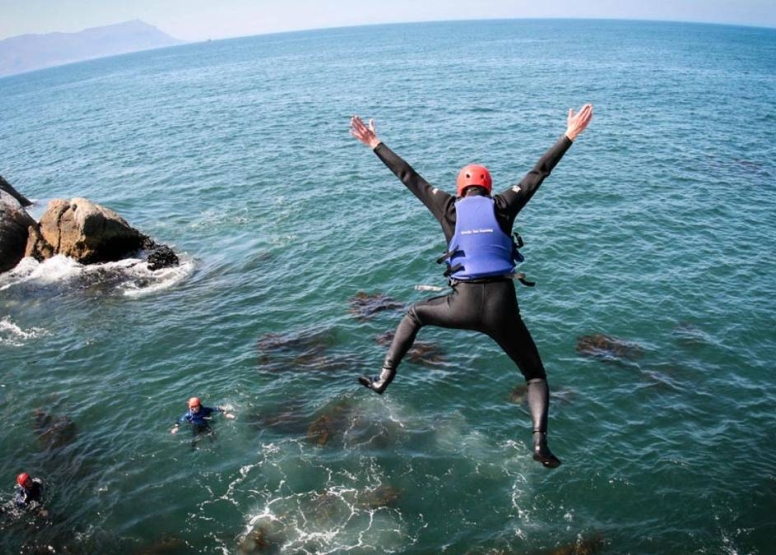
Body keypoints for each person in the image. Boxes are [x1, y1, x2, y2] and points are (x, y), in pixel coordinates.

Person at [349, 104, 593, 468]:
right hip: (501, 309)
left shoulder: (447, 207)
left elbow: (408, 176)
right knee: (535, 375)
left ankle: (384, 379)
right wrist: (570, 134)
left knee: (415, 314)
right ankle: (540, 444)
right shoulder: (504, 205)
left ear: (461, 191)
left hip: (460, 306)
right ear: (488, 188)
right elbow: (539, 172)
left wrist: (374, 142)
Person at [170, 397, 235, 439]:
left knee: (213, 436)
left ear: (199, 405)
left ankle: (217, 448)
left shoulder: (205, 410)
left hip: (205, 424)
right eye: (193, 407)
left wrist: (226, 414)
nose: (195, 408)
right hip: (195, 426)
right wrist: (176, 427)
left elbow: (217, 409)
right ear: (190, 407)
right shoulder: (188, 415)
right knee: (195, 440)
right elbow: (179, 420)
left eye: (196, 406)